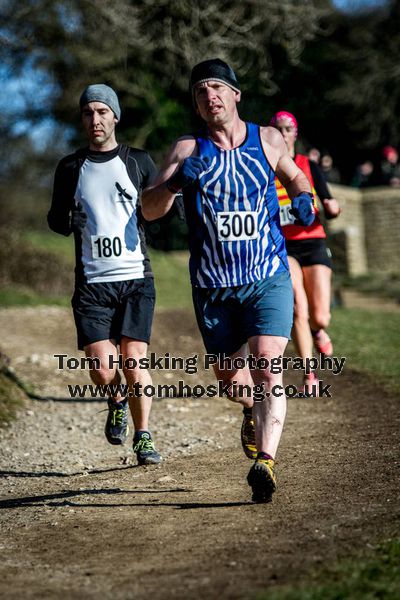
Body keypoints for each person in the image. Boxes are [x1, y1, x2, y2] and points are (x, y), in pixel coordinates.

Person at [141, 59, 315, 503]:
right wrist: (177, 182)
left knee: (267, 361)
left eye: (217, 87)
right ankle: (248, 410)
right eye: (200, 91)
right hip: (213, 286)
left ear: (236, 94)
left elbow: (295, 176)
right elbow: (149, 210)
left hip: (266, 275)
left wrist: (302, 198)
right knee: (234, 383)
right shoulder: (186, 148)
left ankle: (266, 462)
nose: (209, 96)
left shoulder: (269, 138)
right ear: (197, 105)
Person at [48, 84, 161, 466]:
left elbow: (161, 210)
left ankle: (143, 436)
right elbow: (54, 218)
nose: (95, 119)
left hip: (135, 279)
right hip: (92, 283)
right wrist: (69, 221)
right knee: (102, 368)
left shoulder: (139, 161)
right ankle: (115, 400)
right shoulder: (70, 167)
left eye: (101, 112)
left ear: (114, 116)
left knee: (134, 359)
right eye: (87, 113)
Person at [269, 111, 341, 393]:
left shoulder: (308, 165)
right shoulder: (266, 167)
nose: (283, 133)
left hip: (312, 242)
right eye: (278, 129)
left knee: (320, 315)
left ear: (295, 133)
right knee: (299, 307)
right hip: (285, 246)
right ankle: (309, 374)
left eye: (288, 129)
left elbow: (328, 201)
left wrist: (331, 208)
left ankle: (317, 329)